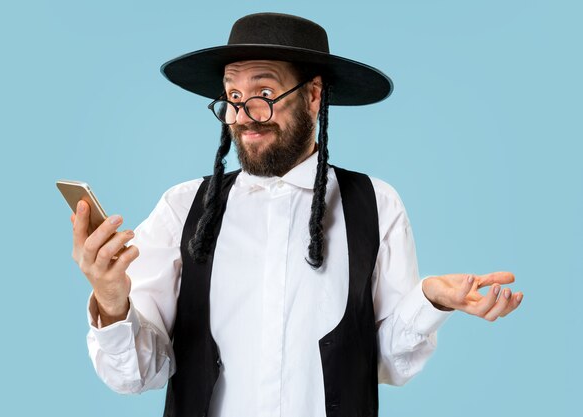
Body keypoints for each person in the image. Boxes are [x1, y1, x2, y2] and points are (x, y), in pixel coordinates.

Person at [70, 12, 523, 417]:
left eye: (264, 92)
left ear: (313, 96)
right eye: (232, 94)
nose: (245, 114)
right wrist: (112, 302)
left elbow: (384, 365)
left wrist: (430, 300)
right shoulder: (183, 208)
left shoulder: (375, 204)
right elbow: (136, 376)